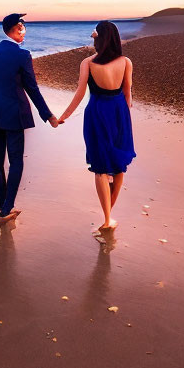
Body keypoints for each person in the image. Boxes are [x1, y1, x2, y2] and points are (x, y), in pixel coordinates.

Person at [0, 13, 60, 223]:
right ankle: (8, 208)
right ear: (17, 29)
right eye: (23, 27)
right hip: (14, 114)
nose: (25, 31)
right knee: (15, 161)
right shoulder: (22, 55)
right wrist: (48, 115)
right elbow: (31, 88)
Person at [58, 21, 135, 231]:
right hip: (119, 112)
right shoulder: (126, 62)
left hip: (97, 112)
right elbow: (127, 93)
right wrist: (125, 119)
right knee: (119, 165)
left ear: (98, 38)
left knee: (100, 168)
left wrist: (63, 116)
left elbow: (80, 93)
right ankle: (110, 214)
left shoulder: (88, 63)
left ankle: (107, 218)